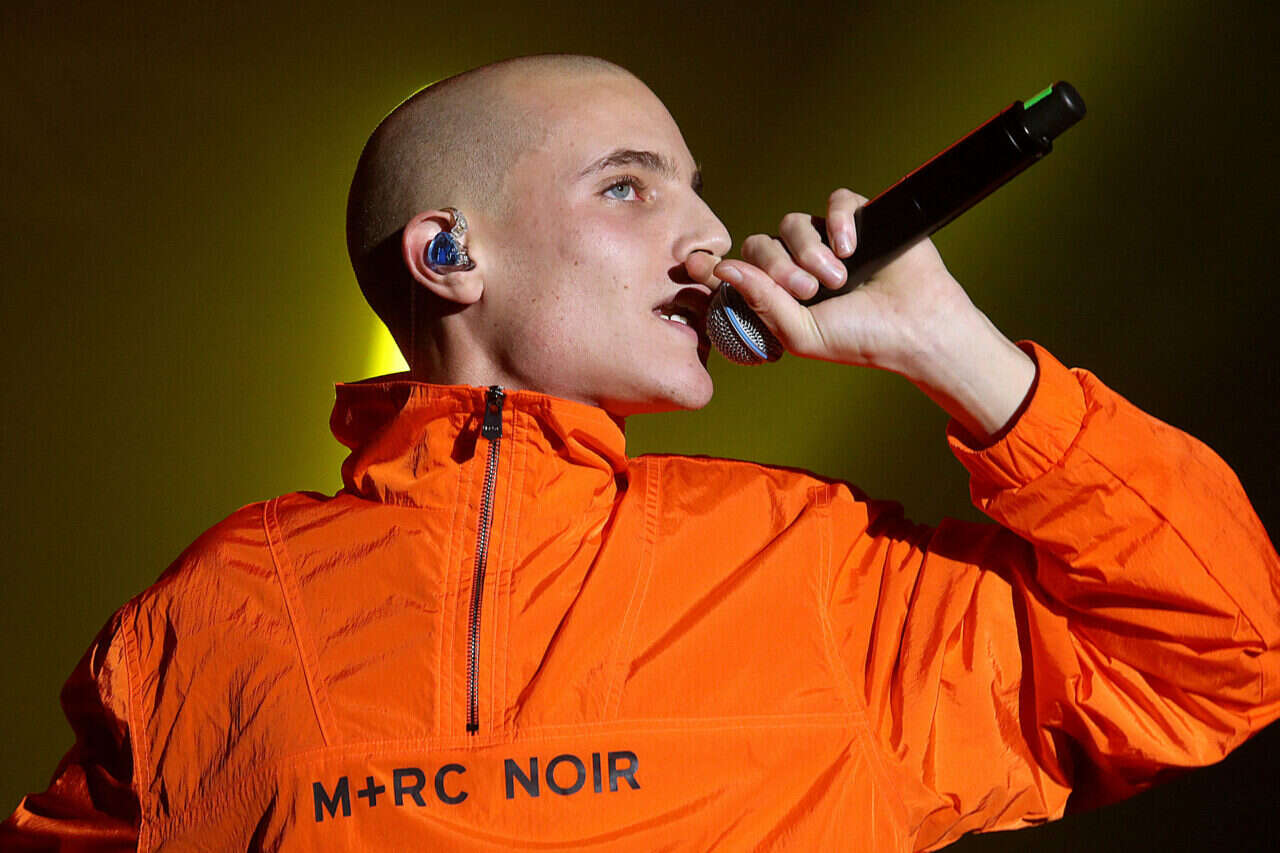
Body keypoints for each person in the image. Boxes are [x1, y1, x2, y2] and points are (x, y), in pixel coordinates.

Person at [3, 53, 1277, 851]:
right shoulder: (209, 622)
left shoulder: (817, 570)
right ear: (448, 254)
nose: (707, 236)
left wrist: (953, 348)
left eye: (696, 188)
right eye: (628, 187)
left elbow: (1216, 655)